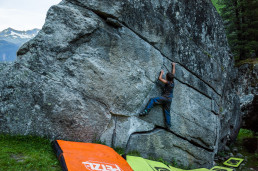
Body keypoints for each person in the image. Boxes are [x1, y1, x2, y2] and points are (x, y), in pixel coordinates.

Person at [139, 62, 176, 128]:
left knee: (152, 100)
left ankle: (146, 111)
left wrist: (161, 73)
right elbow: (173, 73)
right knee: (167, 112)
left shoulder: (167, 82)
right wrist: (173, 65)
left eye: (166, 76)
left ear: (167, 78)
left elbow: (160, 78)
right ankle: (168, 125)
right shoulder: (172, 82)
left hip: (164, 98)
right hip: (169, 99)